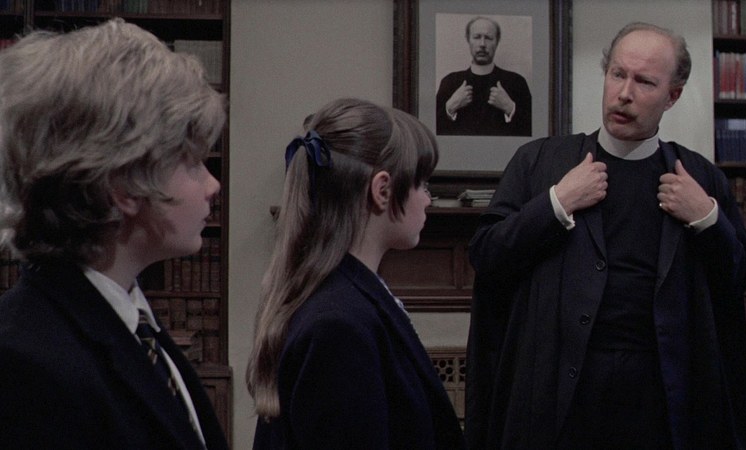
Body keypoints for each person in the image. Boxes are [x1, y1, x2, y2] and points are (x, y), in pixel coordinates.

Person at [465, 22, 746, 449]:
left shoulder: (701, 177)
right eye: (617, 74)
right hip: (558, 391)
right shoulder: (539, 162)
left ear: (672, 96)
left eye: (644, 82)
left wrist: (707, 218)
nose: (624, 93)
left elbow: (738, 278)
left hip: (662, 395)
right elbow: (486, 256)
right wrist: (557, 202)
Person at [0, 19, 229, 449]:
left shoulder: (135, 325)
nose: (212, 184)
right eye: (191, 162)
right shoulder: (26, 361)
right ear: (122, 186)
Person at [246, 98, 465, 450]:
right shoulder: (339, 325)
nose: (428, 199)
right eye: (422, 184)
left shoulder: (352, 299)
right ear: (382, 191)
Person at [435, 16, 532, 136]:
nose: (482, 44)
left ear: (497, 41)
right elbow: (430, 132)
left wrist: (510, 107)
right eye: (476, 37)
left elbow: (534, 131)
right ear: (468, 40)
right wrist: (450, 107)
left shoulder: (517, 82)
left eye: (489, 38)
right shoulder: (450, 82)